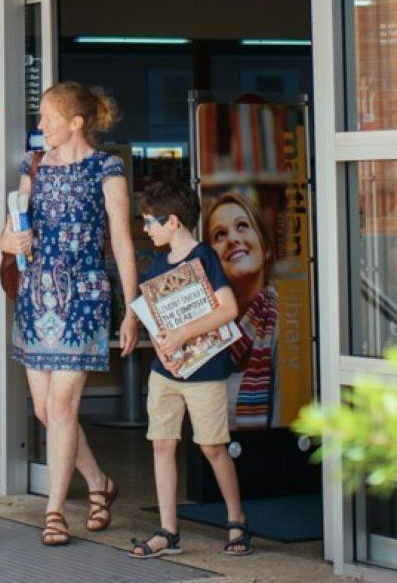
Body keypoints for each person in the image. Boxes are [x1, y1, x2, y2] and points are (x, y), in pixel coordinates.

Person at [0, 81, 141, 548]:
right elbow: (11, 230)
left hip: (83, 296)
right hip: (36, 298)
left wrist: (131, 307)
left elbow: (120, 240)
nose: (39, 126)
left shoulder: (107, 168)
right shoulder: (34, 165)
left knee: (62, 407)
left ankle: (55, 511)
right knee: (44, 409)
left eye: (47, 118)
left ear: (75, 123)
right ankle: (99, 483)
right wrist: (10, 241)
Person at [130, 178, 252, 560]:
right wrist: (164, 342)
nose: (146, 228)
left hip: (204, 370)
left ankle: (237, 519)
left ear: (174, 222)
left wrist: (182, 334)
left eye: (151, 221)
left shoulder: (204, 258)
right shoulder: (155, 264)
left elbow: (228, 308)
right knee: (162, 443)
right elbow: (155, 314)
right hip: (167, 370)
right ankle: (168, 529)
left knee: (213, 446)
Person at [205, 191, 279, 430]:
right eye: (220, 235)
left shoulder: (284, 321)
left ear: (266, 248)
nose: (233, 239)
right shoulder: (205, 322)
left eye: (242, 226)